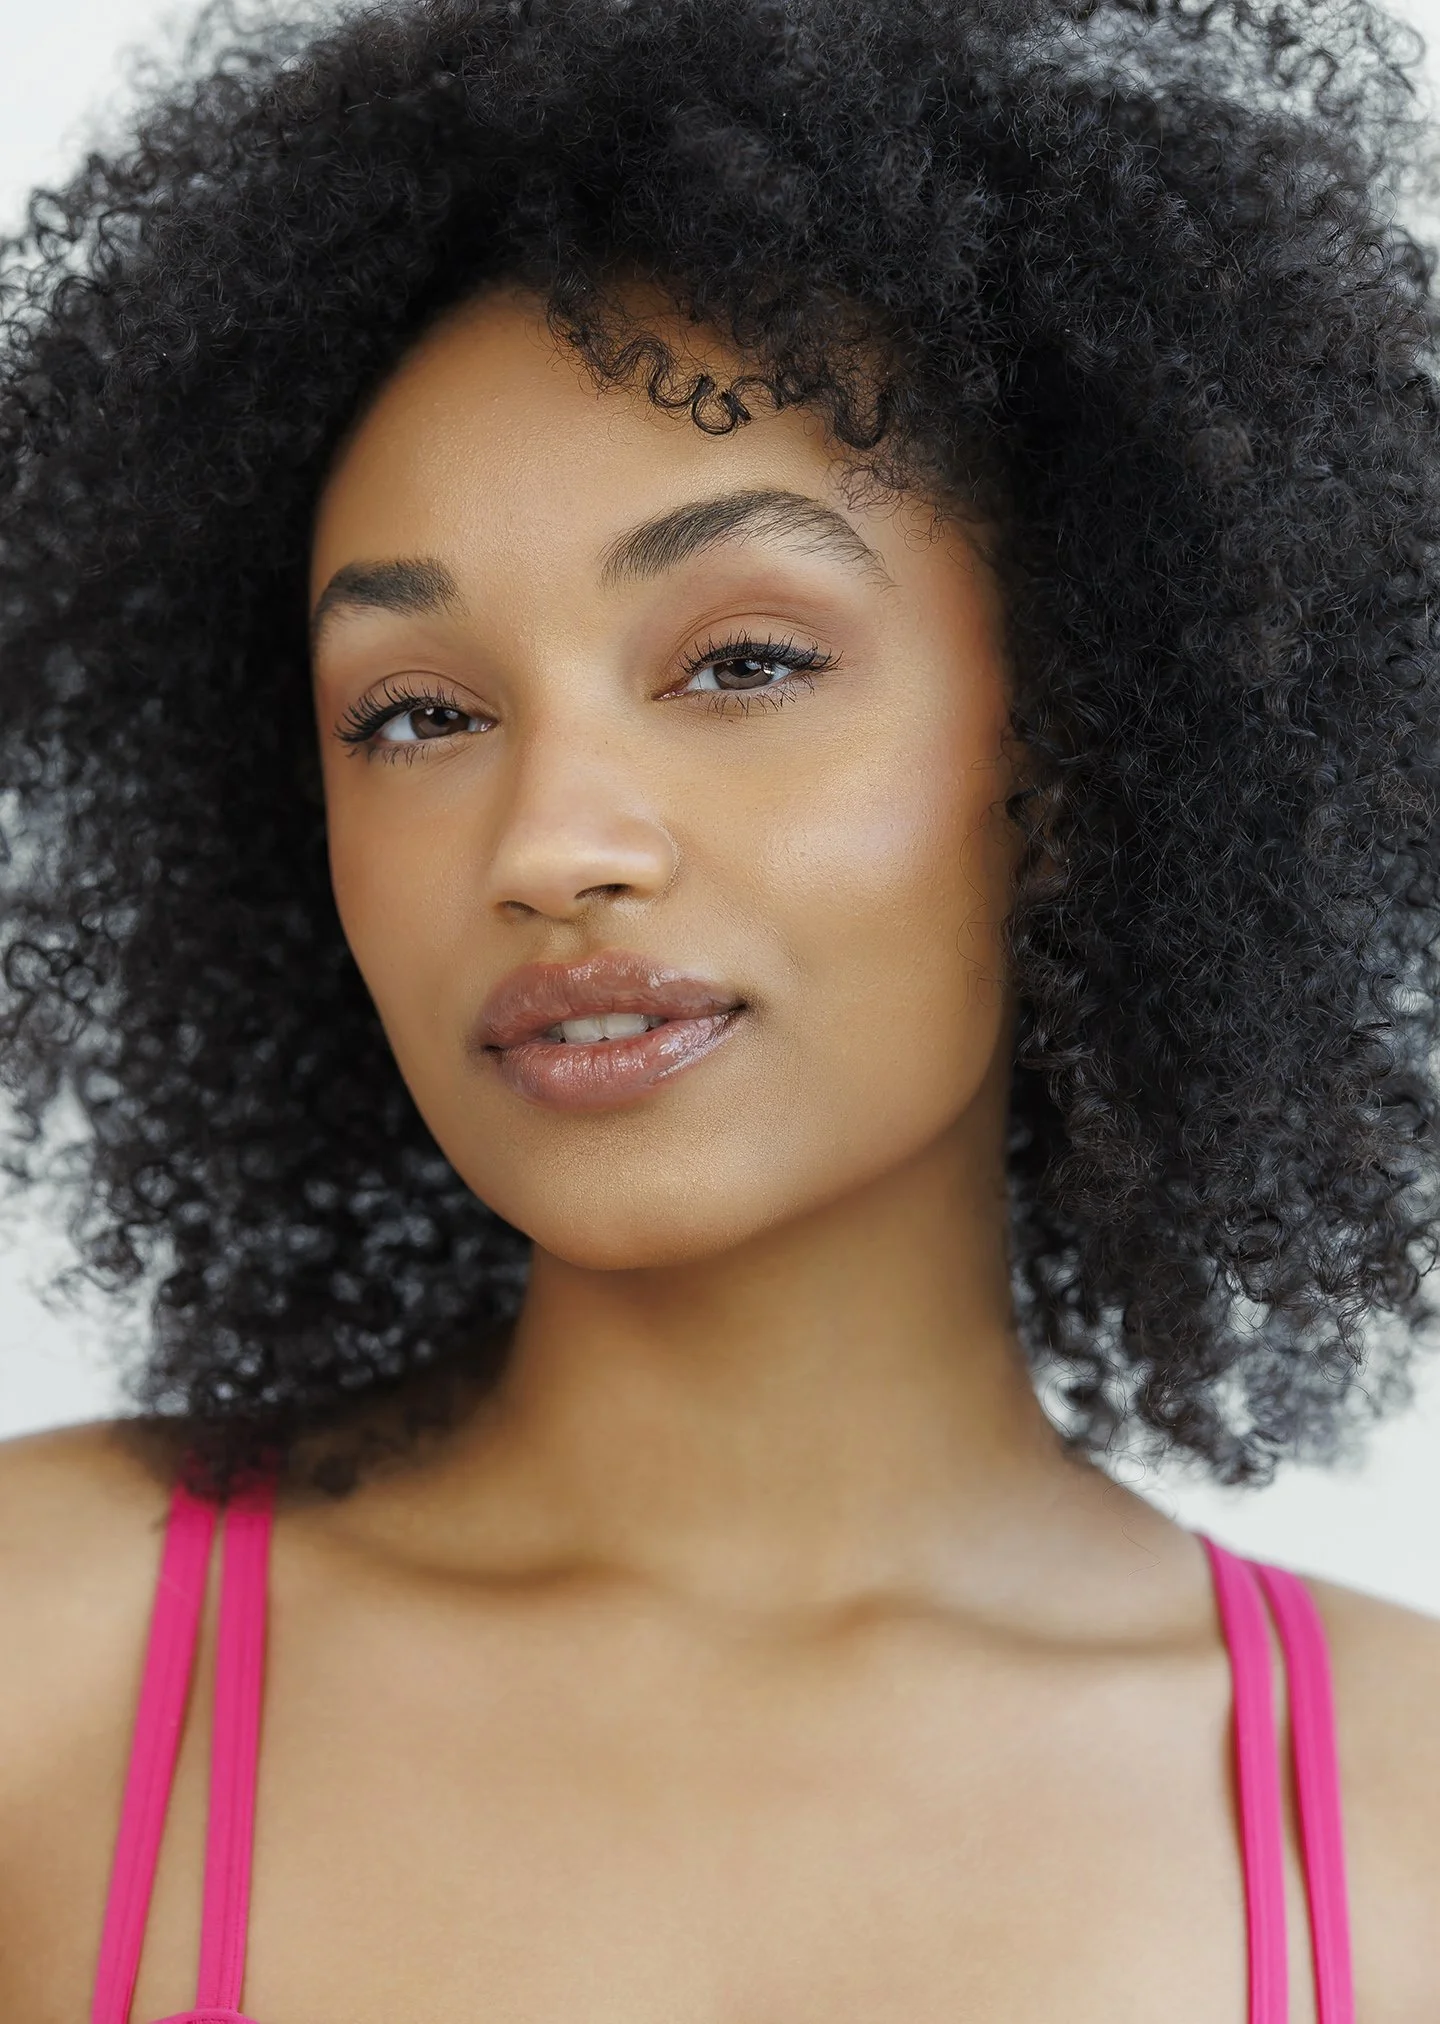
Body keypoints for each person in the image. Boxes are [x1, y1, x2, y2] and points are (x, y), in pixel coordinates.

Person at [0, 0, 1438, 2016]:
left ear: (1091, 741)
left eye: (743, 661)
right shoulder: (40, 1662)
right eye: (416, 712)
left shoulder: (1404, 1830)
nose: (551, 842)